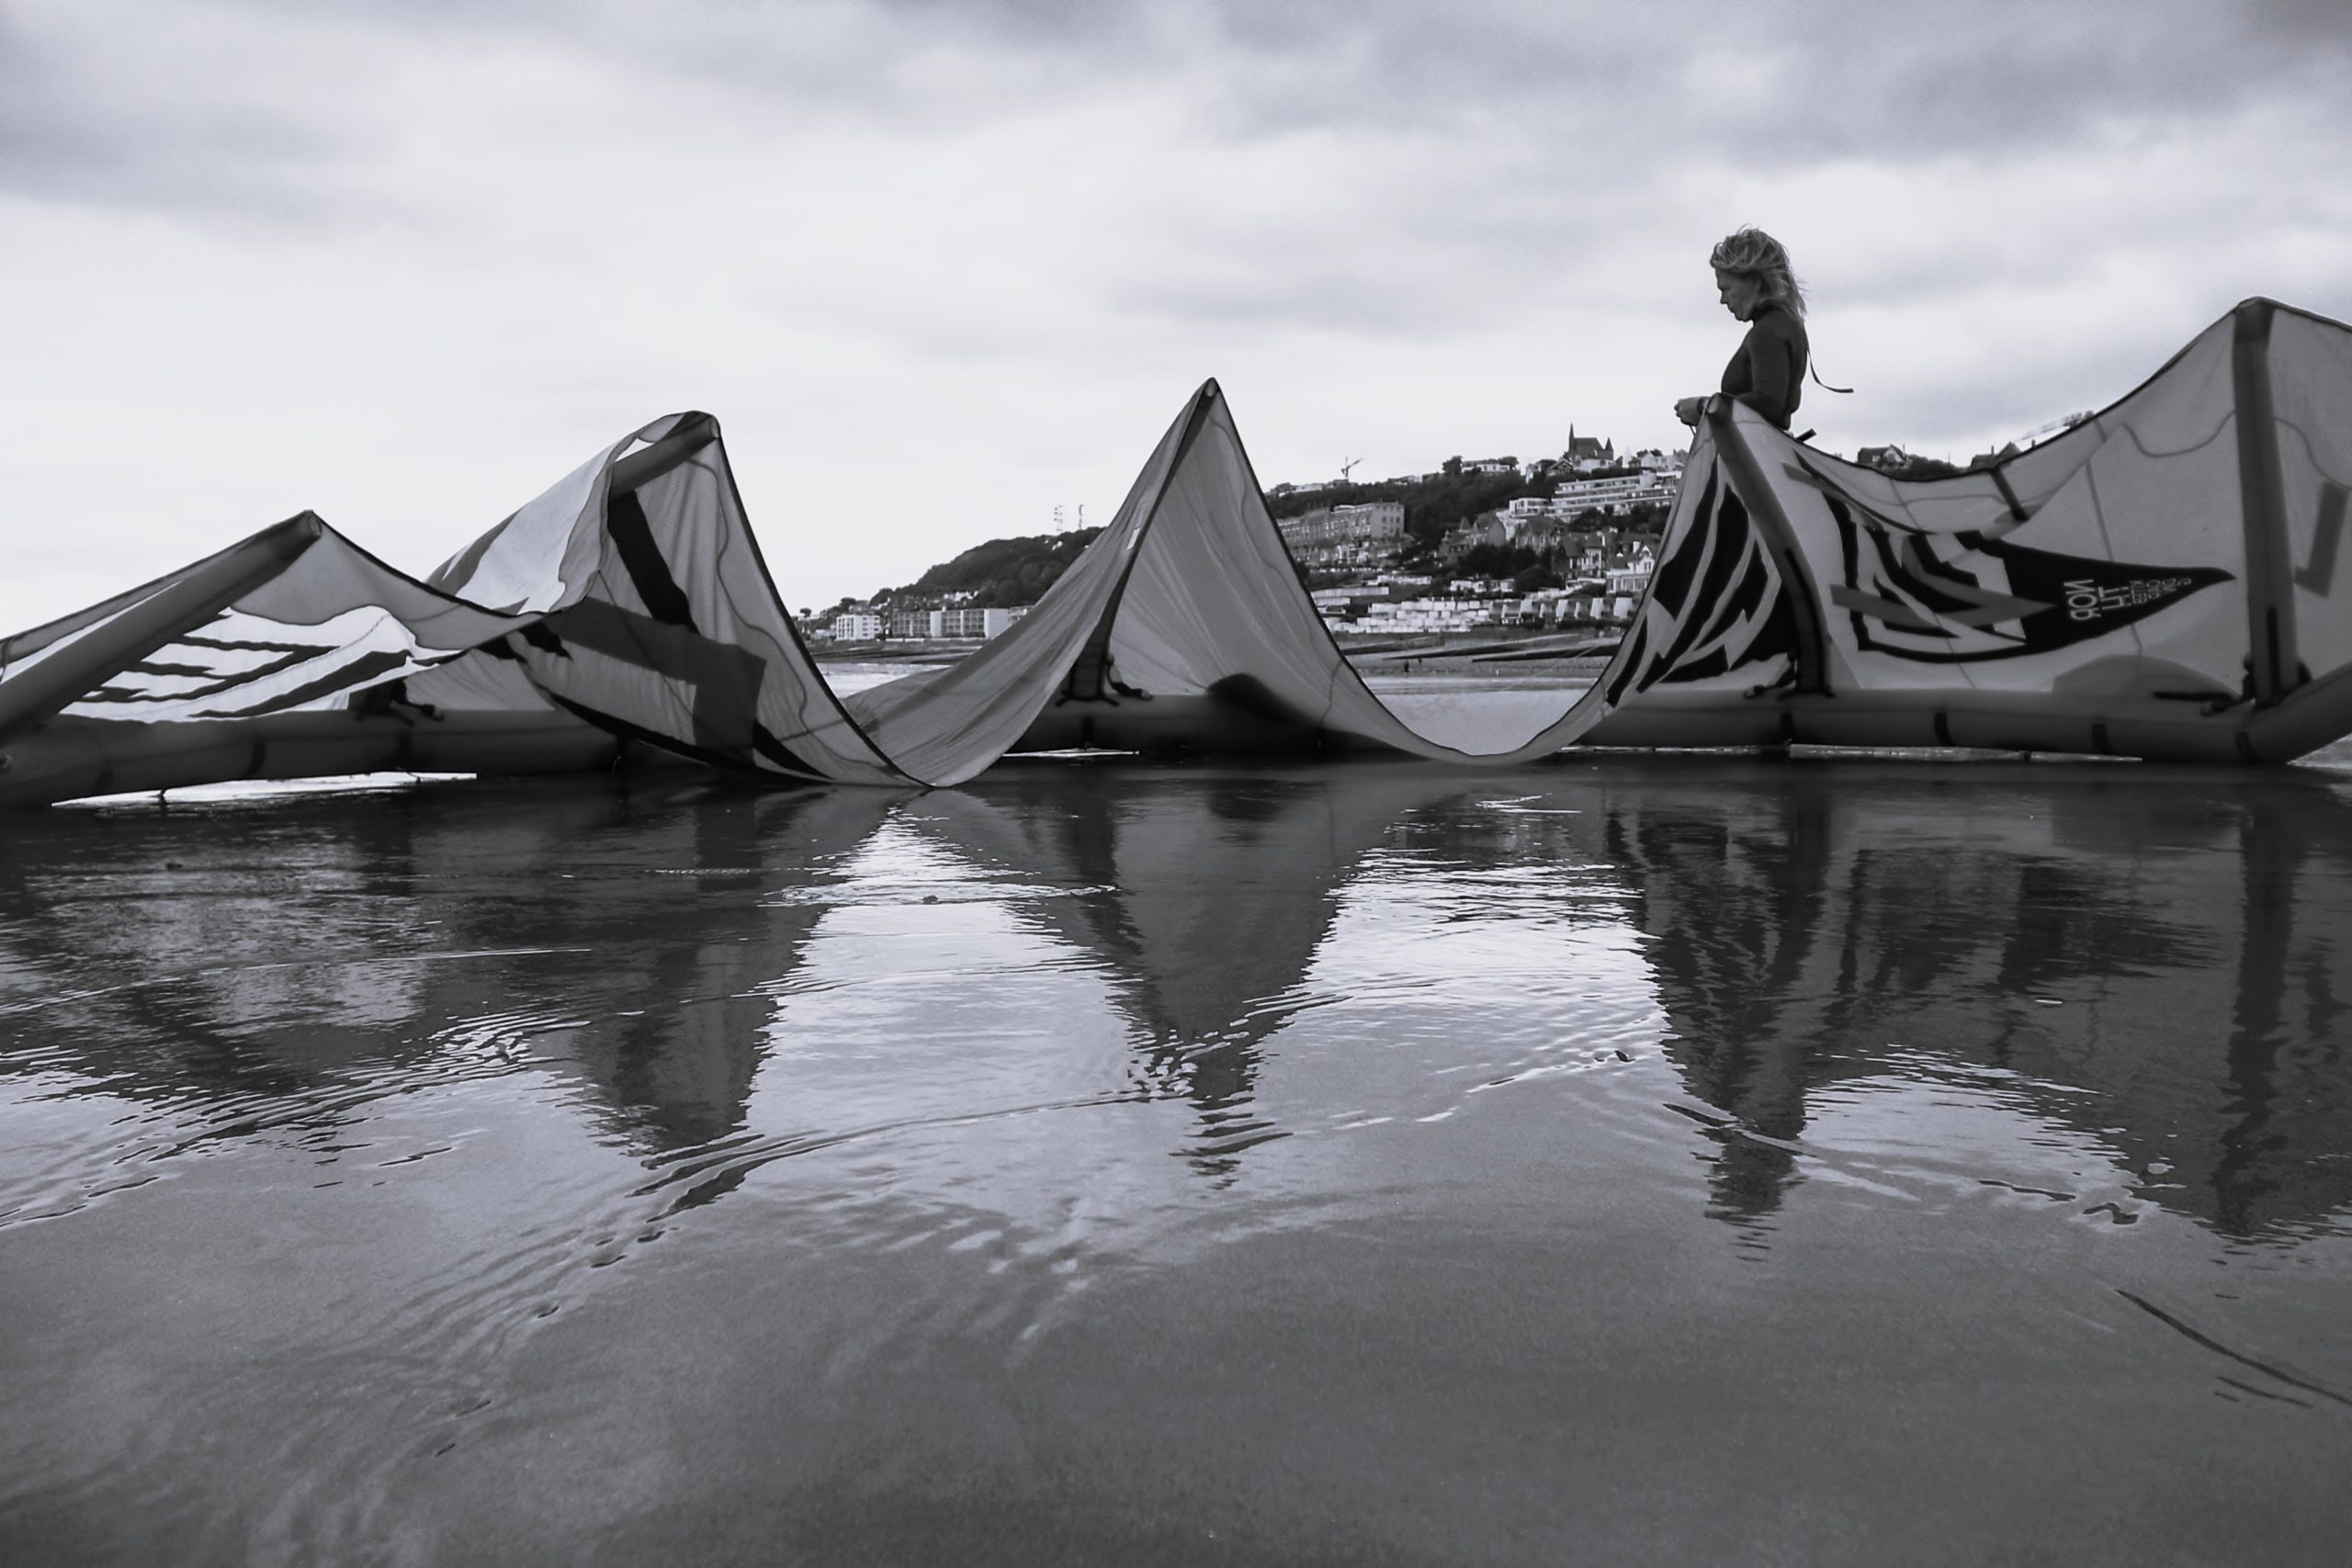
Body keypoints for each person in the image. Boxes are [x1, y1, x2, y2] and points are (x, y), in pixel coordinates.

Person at [1675, 227, 1809, 433]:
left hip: (1758, 454)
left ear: (1754, 282)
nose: (1722, 299)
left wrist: (1703, 407)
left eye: (1726, 289)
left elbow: (1769, 403)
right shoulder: (1788, 324)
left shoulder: (1767, 331)